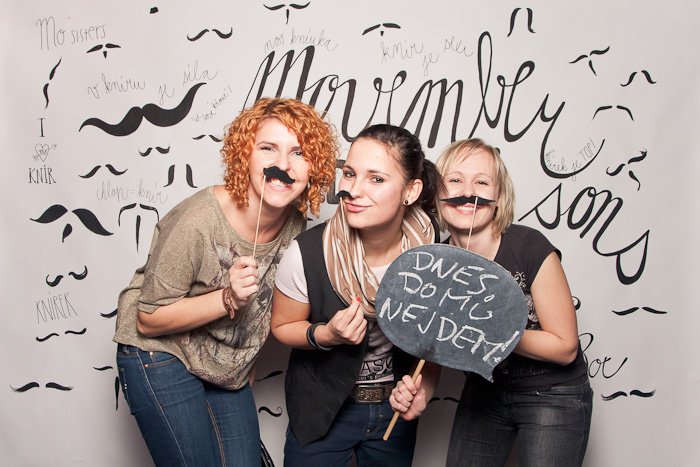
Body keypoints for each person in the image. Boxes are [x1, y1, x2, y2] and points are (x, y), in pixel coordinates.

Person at [113, 97, 338, 467]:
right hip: (161, 353)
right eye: (268, 148)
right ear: (244, 154)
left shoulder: (295, 225)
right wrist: (226, 298)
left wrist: (244, 362)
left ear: (314, 166)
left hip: (224, 368)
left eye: (298, 153)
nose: (283, 165)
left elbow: (270, 310)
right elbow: (148, 319)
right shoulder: (198, 220)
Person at [390, 138, 592, 467]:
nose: (468, 191)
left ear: (499, 197)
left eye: (482, 182)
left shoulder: (529, 247)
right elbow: (434, 350)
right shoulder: (435, 264)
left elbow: (564, 346)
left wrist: (482, 326)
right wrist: (420, 393)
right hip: (486, 392)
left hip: (552, 394)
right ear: (437, 192)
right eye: (455, 180)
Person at [270, 124, 442, 466]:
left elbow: (434, 340)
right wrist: (327, 335)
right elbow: (282, 326)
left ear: (411, 191)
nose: (352, 190)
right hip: (323, 413)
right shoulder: (308, 252)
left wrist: (423, 390)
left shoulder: (432, 252)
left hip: (393, 415)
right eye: (349, 173)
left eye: (376, 178)